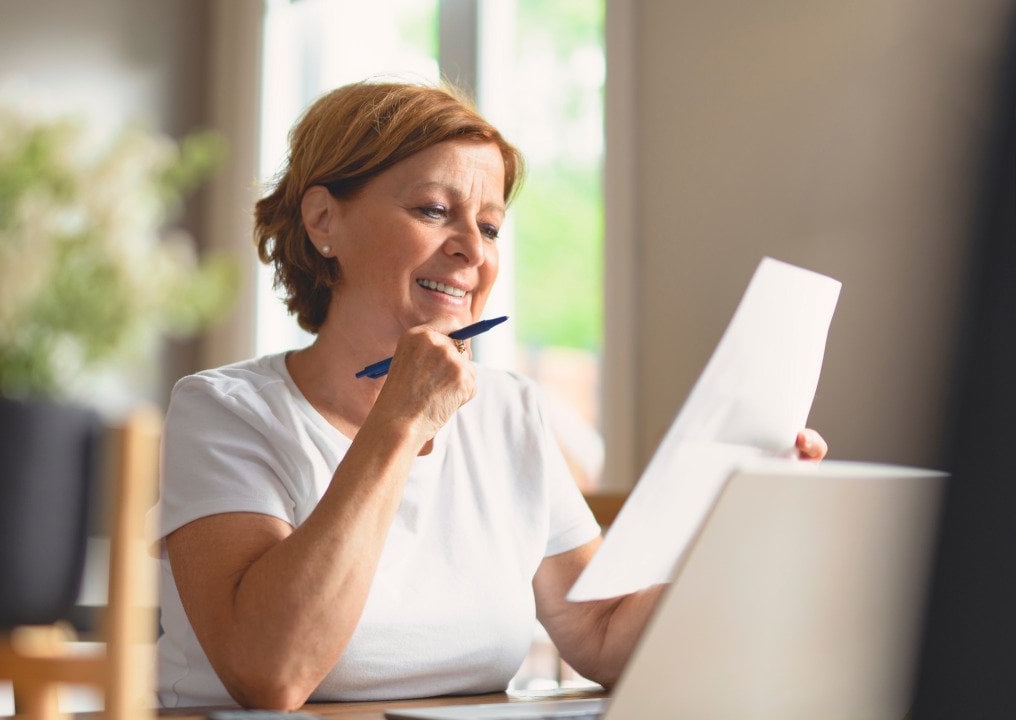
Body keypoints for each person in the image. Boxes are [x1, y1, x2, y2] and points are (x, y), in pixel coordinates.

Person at [154, 81, 828, 710]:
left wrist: (741, 514)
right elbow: (272, 672)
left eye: (491, 226)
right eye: (433, 211)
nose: (472, 252)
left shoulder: (512, 412)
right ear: (325, 220)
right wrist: (401, 419)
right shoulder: (224, 412)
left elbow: (602, 631)